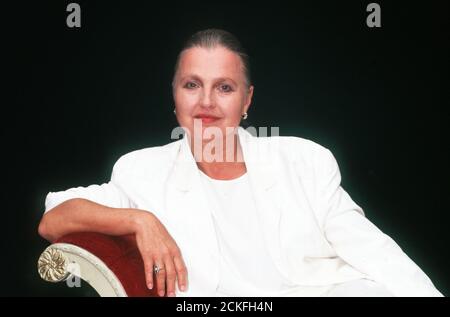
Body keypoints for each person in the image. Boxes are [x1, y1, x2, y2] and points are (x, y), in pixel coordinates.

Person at [38, 29, 443, 297]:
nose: (207, 102)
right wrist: (140, 221)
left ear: (247, 101)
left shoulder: (304, 160)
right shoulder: (141, 171)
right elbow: (54, 218)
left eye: (225, 87)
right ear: (175, 96)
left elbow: (375, 253)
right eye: (192, 84)